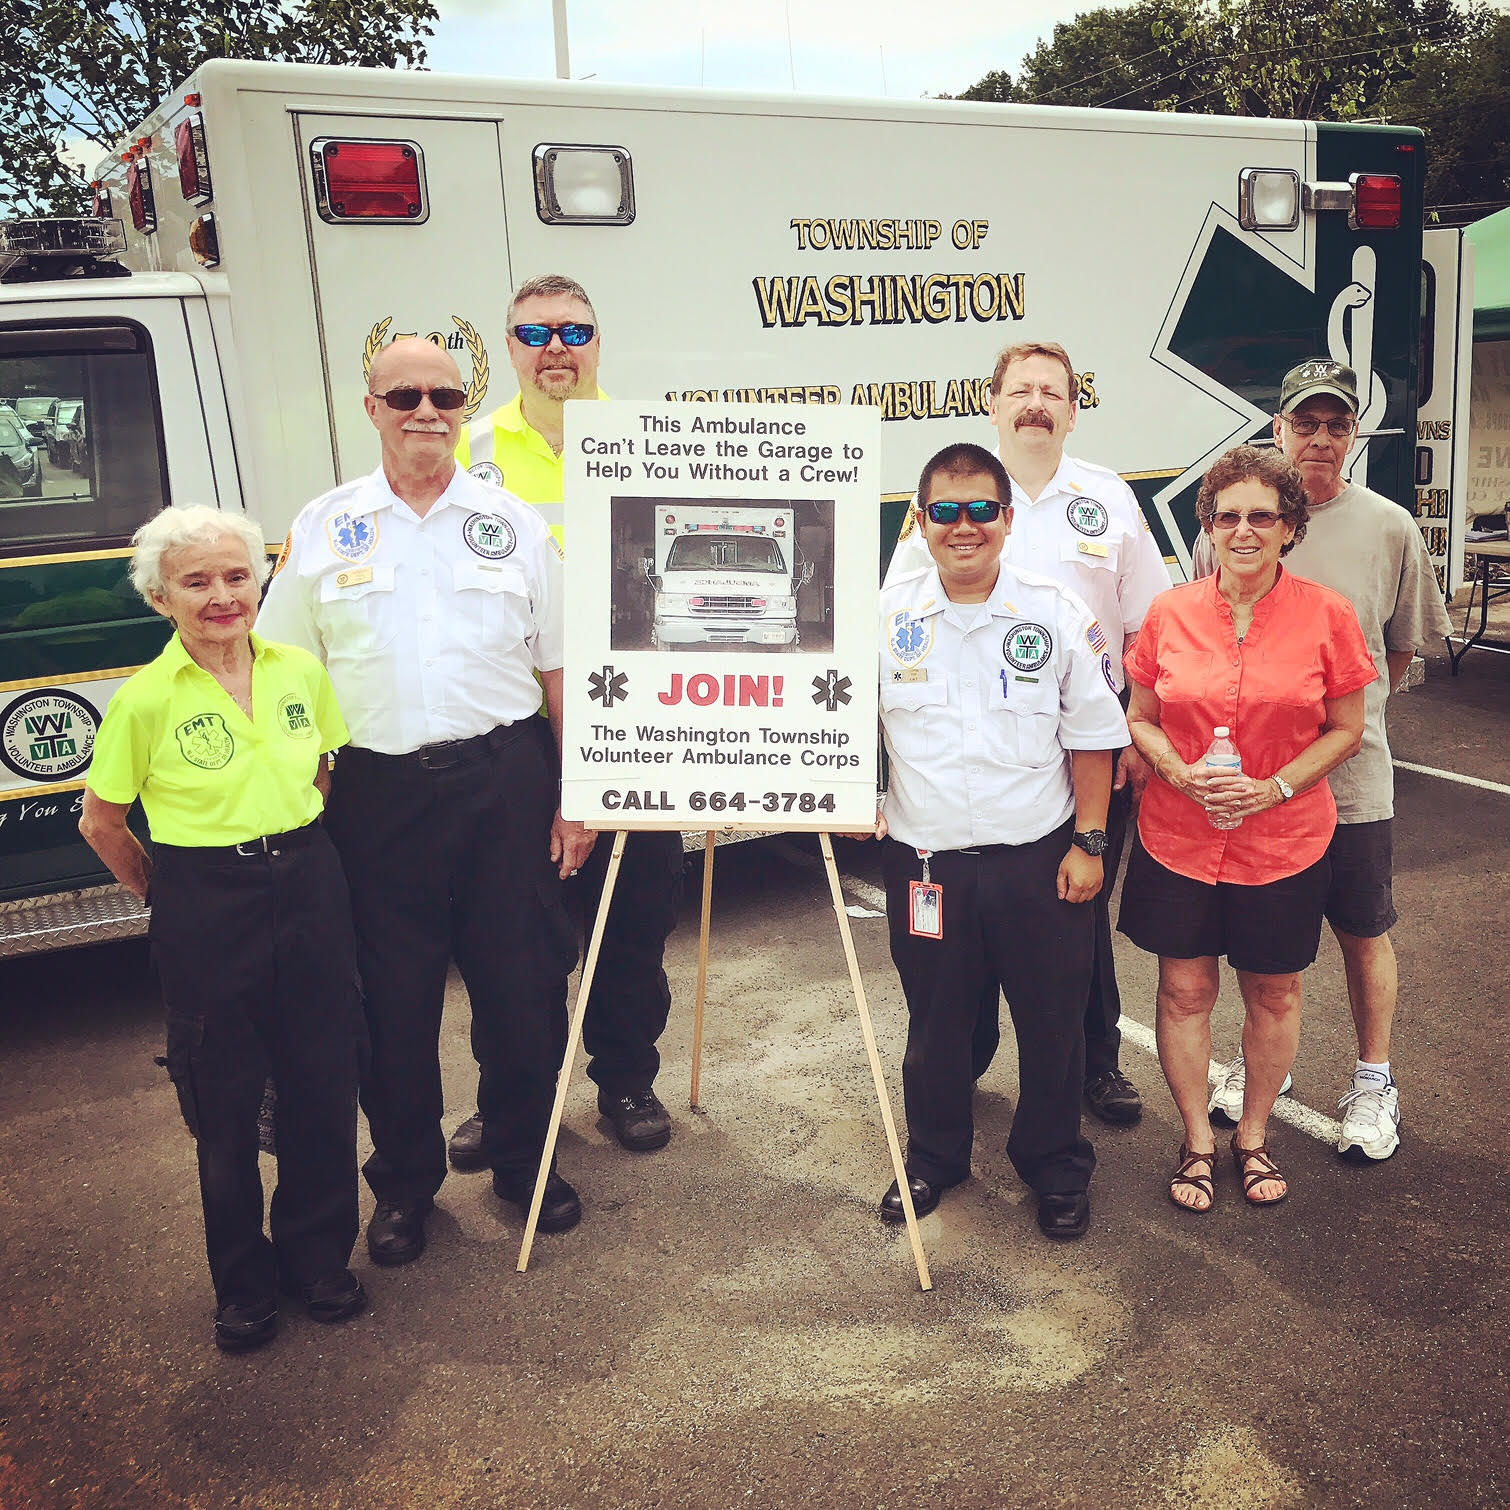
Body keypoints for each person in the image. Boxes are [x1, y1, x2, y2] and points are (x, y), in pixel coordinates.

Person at [257, 335, 593, 1267]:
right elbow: (282, 672)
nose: (426, 412)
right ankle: (404, 1183)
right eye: (404, 395)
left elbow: (561, 666)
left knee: (522, 990)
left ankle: (524, 1162)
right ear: (371, 408)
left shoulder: (511, 523)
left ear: (463, 406)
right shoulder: (324, 526)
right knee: (391, 1007)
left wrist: (575, 795)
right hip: (375, 797)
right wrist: (306, 787)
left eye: (445, 395)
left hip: (506, 783)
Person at [79, 505, 364, 1352]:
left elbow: (323, 768)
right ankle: (243, 1284)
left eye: (236, 576)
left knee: (322, 1083)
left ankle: (319, 1260)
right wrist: (165, 896)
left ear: (259, 582)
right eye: (196, 582)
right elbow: (101, 822)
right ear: (160, 597)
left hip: (309, 883)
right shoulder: (143, 700)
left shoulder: (299, 670)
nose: (221, 597)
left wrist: (290, 840)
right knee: (224, 1105)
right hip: (204, 900)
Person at [886, 341, 1171, 1125]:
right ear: (995, 405)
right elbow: (894, 632)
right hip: (972, 757)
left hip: (1085, 750)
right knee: (967, 944)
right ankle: (966, 1062)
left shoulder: (1107, 497)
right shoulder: (954, 495)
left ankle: (1096, 1066)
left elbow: (1149, 624)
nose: (1036, 403)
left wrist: (1136, 731)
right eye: (1020, 390)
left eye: (1052, 391)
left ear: (1074, 410)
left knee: (1077, 921)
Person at [864, 441, 1129, 1240]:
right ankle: (934, 1157)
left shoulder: (1055, 611)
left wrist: (1090, 842)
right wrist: (853, 797)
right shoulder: (884, 619)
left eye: (982, 508)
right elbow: (844, 720)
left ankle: (1055, 1165)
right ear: (920, 521)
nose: (964, 526)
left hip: (1038, 862)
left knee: (1053, 1027)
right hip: (926, 863)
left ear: (1008, 519)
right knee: (937, 1025)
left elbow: (1093, 736)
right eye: (945, 511)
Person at [1193, 360, 1454, 1161]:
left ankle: (1374, 1082)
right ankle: (1261, 1065)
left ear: (1353, 434)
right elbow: (1207, 630)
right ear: (1279, 429)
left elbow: (1400, 650)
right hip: (1255, 789)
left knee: (1363, 932)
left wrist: (1351, 720)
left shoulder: (1389, 527)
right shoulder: (1241, 523)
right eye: (1304, 423)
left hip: (1353, 780)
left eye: (1336, 425)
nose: (1320, 438)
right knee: (1269, 942)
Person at [451, 273, 684, 1160]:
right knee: (511, 937)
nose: (557, 348)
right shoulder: (468, 451)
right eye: (536, 332)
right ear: (509, 346)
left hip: (640, 726)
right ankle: (512, 1098)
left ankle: (625, 1079)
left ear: (598, 341)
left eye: (575, 331)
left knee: (633, 922)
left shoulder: (655, 440)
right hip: (516, 734)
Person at [1121, 445, 1376, 1212]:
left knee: (1273, 991)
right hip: (1178, 837)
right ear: (1208, 526)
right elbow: (1141, 717)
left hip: (1285, 842)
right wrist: (1176, 771)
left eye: (1262, 517)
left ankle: (1254, 1136)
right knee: (1184, 991)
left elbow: (1347, 729)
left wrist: (1274, 788)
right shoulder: (1169, 612)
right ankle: (1198, 1139)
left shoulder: (1328, 614)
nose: (1243, 531)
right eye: (1227, 516)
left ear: (1290, 526)